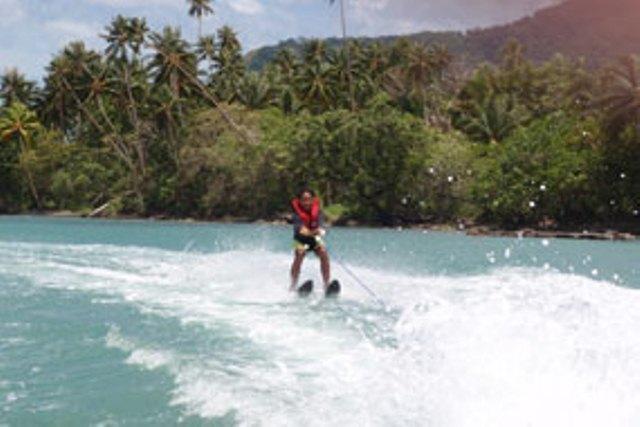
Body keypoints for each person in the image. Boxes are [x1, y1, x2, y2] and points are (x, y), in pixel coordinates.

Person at [289, 188, 331, 291]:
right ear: (300, 201)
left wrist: (321, 231)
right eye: (304, 199)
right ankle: (293, 285)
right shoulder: (296, 213)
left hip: (315, 239)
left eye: (309, 199)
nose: (306, 202)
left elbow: (322, 226)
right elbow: (301, 230)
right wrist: (314, 232)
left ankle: (326, 284)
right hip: (300, 240)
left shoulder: (318, 212)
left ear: (312, 200)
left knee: (323, 253)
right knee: (300, 253)